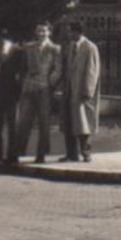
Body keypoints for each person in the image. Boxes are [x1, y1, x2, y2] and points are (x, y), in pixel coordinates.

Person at [11, 22, 59, 164]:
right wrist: (22, 79)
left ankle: (41, 154)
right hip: (28, 88)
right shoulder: (29, 47)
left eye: (44, 31)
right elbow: (22, 65)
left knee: (44, 122)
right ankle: (17, 153)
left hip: (44, 88)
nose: (41, 34)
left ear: (49, 32)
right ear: (35, 32)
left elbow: (58, 69)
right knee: (23, 122)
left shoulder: (54, 49)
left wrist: (50, 82)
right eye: (39, 31)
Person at [66, 24, 102, 162]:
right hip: (71, 89)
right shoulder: (72, 46)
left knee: (84, 124)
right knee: (71, 123)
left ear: (79, 32)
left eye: (72, 32)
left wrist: (88, 90)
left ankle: (86, 152)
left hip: (82, 91)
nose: (70, 35)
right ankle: (72, 153)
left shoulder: (89, 47)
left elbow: (93, 70)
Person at [0, 36, 27, 167]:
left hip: (13, 95)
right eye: (0, 41)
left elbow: (23, 72)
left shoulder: (19, 53)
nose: (2, 43)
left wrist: (20, 91)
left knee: (13, 127)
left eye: (5, 41)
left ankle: (12, 156)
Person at [55, 24, 77, 162]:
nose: (67, 34)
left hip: (78, 90)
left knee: (79, 123)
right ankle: (70, 153)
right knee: (67, 123)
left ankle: (82, 152)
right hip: (66, 89)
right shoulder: (63, 49)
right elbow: (60, 69)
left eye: (69, 32)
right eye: (64, 32)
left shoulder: (81, 47)